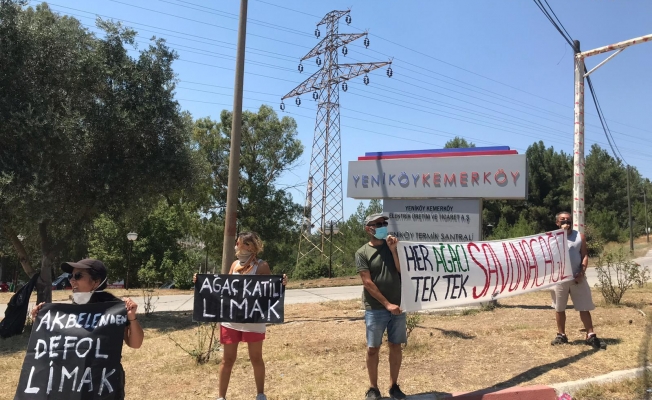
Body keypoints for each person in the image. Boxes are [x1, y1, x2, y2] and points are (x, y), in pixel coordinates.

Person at [193, 231, 288, 400]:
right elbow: (224, 289)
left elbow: (269, 291)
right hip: (231, 321)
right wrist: (200, 282)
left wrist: (281, 282)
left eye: (241, 243)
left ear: (251, 246)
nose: (237, 247)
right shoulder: (234, 265)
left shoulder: (261, 266)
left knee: (256, 358)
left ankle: (260, 394)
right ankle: (221, 396)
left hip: (253, 320)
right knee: (227, 359)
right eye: (237, 243)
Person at [31, 259, 143, 399]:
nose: (72, 281)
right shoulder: (67, 312)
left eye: (78, 276)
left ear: (96, 282)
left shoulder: (113, 310)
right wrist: (39, 319)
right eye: (70, 276)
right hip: (72, 383)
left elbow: (135, 344)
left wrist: (132, 318)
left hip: (104, 386)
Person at [355, 213, 407, 400]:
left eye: (384, 223)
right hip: (376, 308)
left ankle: (394, 386)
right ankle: (373, 388)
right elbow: (367, 282)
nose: (383, 226)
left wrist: (393, 250)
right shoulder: (362, 253)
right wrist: (387, 304)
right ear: (368, 228)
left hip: (398, 307)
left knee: (395, 345)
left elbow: (403, 271)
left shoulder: (394, 246)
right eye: (378, 224)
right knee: (373, 348)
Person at [550, 212, 606, 349]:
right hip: (559, 279)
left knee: (584, 307)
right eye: (562, 220)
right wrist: (561, 236)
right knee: (559, 308)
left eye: (568, 220)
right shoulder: (551, 239)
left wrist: (581, 272)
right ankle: (561, 335)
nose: (566, 223)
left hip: (577, 278)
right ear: (557, 223)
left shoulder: (579, 237)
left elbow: (584, 255)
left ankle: (590, 334)